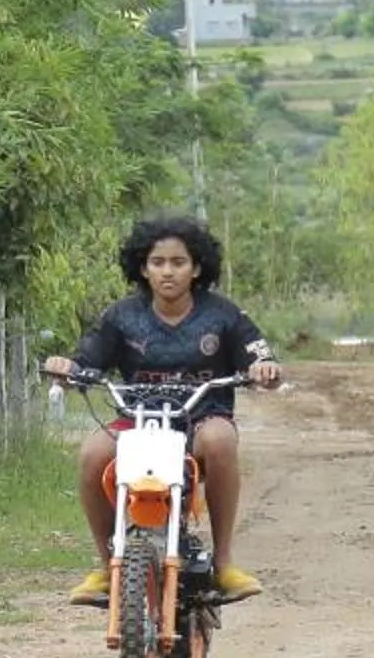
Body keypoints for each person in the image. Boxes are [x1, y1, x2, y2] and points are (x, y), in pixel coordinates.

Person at [41, 214, 284, 606]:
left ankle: (224, 564)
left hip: (202, 418)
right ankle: (106, 565)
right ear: (143, 268)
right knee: (92, 453)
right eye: (157, 262)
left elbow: (260, 359)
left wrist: (264, 369)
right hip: (138, 420)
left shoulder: (224, 315)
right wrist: (66, 369)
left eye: (178, 262)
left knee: (220, 440)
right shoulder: (121, 316)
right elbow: (85, 363)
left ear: (197, 268)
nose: (167, 272)